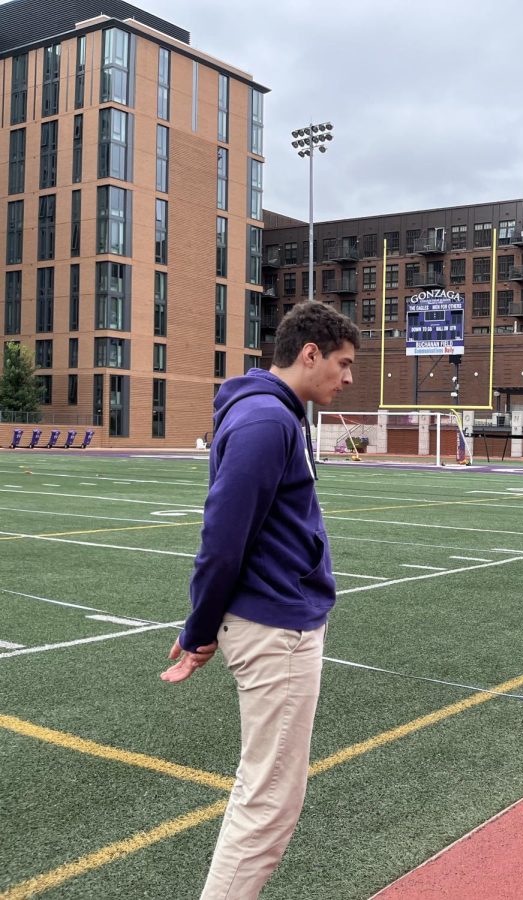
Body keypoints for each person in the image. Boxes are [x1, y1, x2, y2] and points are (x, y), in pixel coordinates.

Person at [161, 301, 358, 898]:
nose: (348, 378)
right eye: (343, 364)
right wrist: (199, 630)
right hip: (277, 629)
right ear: (309, 354)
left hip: (273, 621)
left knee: (267, 793)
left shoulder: (272, 414)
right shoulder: (267, 422)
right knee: (269, 800)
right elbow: (222, 537)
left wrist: (204, 626)